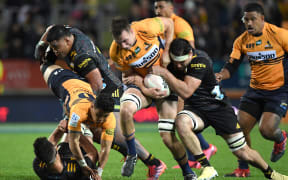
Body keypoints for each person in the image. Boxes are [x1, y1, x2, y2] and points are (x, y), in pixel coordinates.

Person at [35, 24, 167, 179]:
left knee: (107, 132)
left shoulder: (81, 57)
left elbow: (97, 84)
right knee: (105, 134)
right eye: (52, 46)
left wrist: (85, 107)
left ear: (66, 40)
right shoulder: (69, 32)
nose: (55, 51)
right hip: (103, 85)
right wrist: (42, 44)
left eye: (56, 46)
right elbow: (51, 28)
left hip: (107, 90)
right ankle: (144, 159)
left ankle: (153, 163)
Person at [150, 38, 288, 180]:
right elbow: (180, 95)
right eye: (175, 61)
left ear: (190, 54)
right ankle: (207, 168)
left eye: (182, 61)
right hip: (196, 110)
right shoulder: (173, 66)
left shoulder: (200, 62)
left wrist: (165, 74)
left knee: (243, 152)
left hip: (218, 108)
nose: (178, 65)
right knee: (181, 122)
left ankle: (271, 174)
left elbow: (186, 91)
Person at [110, 16, 198, 179]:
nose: (124, 46)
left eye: (125, 40)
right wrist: (144, 88)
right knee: (126, 109)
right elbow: (128, 77)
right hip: (143, 84)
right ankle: (132, 154)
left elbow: (170, 24)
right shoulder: (116, 51)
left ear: (131, 31)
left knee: (167, 137)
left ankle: (187, 172)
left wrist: (167, 52)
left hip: (165, 80)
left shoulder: (147, 27)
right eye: (119, 42)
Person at [215, 2, 288, 177]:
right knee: (239, 129)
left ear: (262, 19)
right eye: (245, 19)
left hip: (278, 91)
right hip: (255, 91)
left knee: (266, 130)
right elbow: (231, 66)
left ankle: (280, 138)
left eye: (252, 19)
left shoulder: (280, 35)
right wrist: (220, 75)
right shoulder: (242, 41)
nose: (248, 23)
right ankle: (243, 168)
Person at [154, 0, 217, 169]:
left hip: (188, 73)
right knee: (180, 117)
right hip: (177, 72)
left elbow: (191, 53)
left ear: (171, 8)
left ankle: (200, 152)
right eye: (155, 7)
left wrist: (182, 77)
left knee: (183, 115)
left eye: (161, 7)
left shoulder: (180, 24)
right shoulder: (158, 26)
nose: (157, 10)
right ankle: (204, 148)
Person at [40, 62, 115, 178]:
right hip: (61, 81)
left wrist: (99, 173)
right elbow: (74, 141)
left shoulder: (110, 119)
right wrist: (83, 165)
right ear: (92, 107)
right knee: (44, 64)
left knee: (73, 125)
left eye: (105, 116)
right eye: (99, 115)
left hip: (81, 85)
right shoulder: (78, 113)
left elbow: (105, 149)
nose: (101, 120)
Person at [33, 119, 101, 180]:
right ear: (56, 149)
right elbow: (93, 153)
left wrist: (60, 128)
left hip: (64, 149)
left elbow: (48, 146)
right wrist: (74, 132)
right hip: (82, 152)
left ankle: (70, 119)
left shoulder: (38, 165)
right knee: (85, 130)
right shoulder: (76, 170)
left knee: (69, 131)